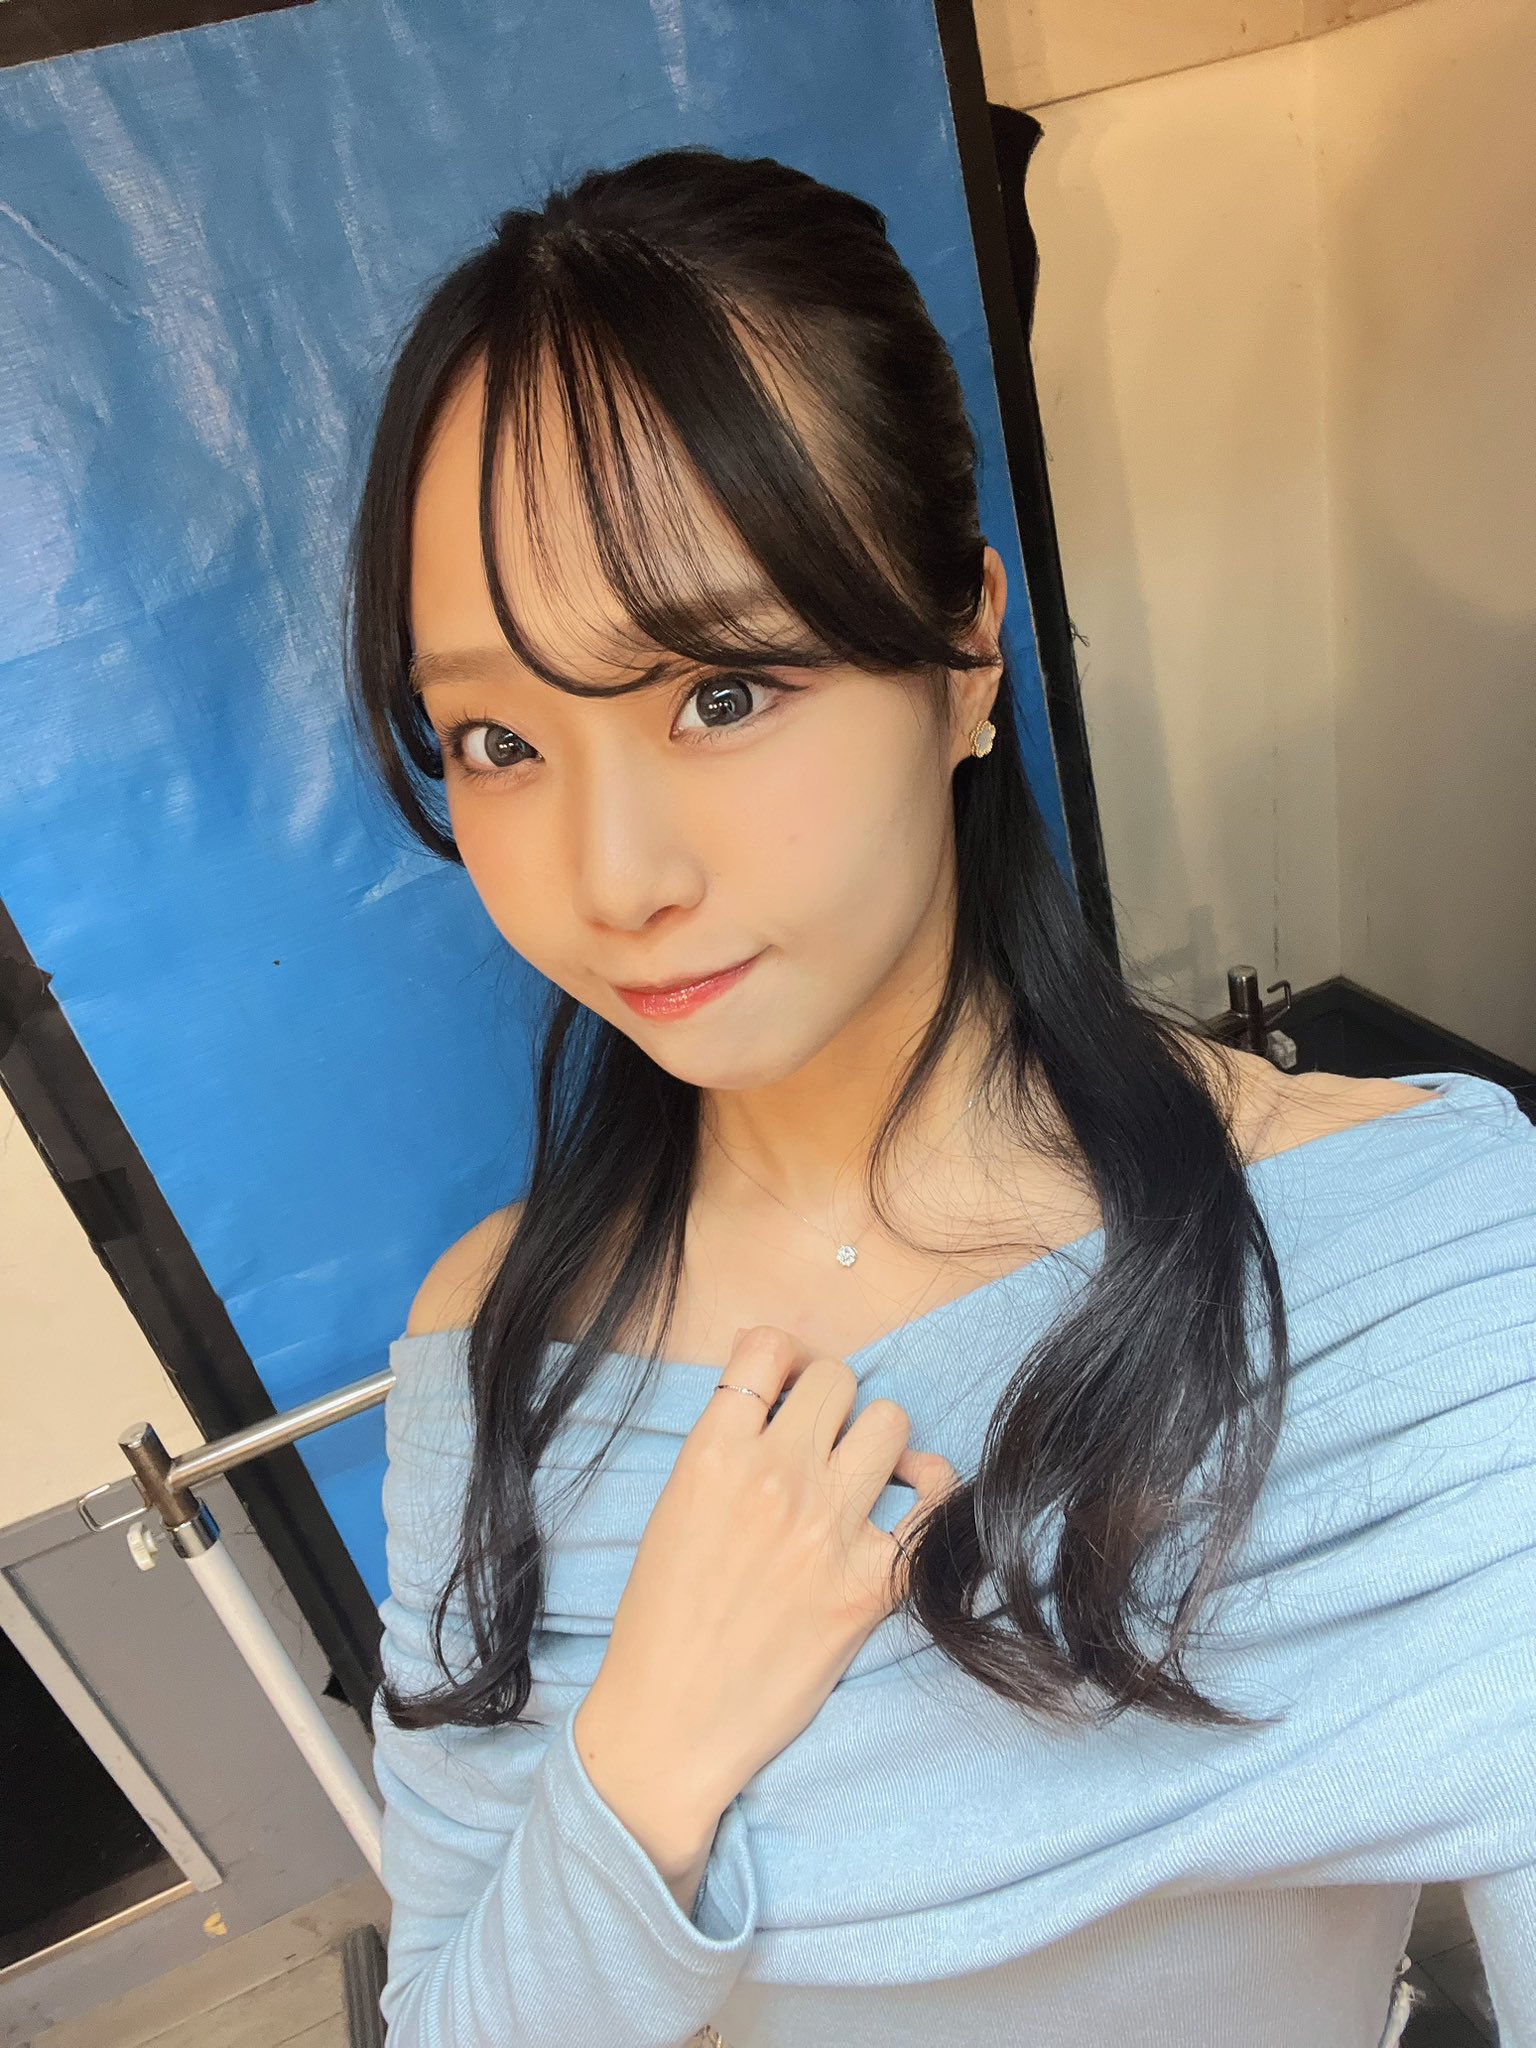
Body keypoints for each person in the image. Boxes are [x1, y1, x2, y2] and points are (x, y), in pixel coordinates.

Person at [345, 147, 1536, 2047]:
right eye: (498, 739)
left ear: (966, 648)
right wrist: (649, 1746)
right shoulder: (494, 1345)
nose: (611, 877)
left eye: (720, 694)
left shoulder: (1431, 1275)